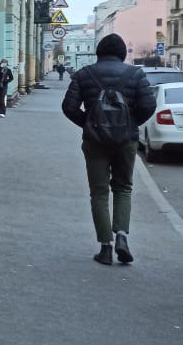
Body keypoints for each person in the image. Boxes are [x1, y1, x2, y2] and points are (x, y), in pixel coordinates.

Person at [61, 33, 156, 265]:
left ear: (99, 52)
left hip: (95, 142)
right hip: (126, 141)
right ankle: (122, 236)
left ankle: (105, 247)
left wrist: (89, 123)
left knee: (99, 192)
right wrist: (130, 125)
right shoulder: (136, 74)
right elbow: (148, 105)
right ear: (122, 53)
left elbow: (69, 107)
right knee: (123, 188)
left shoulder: (84, 74)